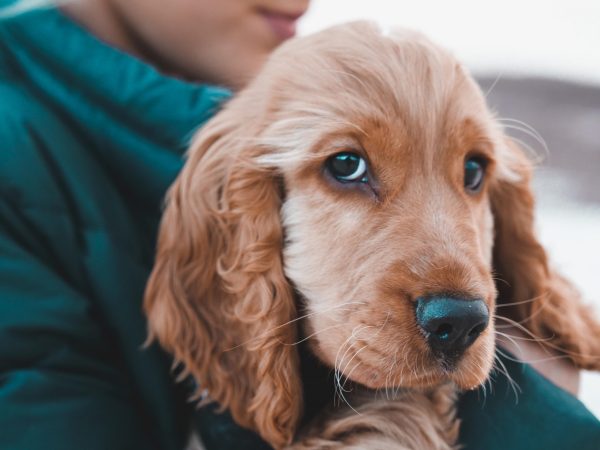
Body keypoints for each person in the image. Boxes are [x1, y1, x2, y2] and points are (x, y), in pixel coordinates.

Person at [0, 1, 597, 449]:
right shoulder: (19, 160)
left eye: (472, 171)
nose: (301, 1)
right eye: (346, 165)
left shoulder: (248, 102)